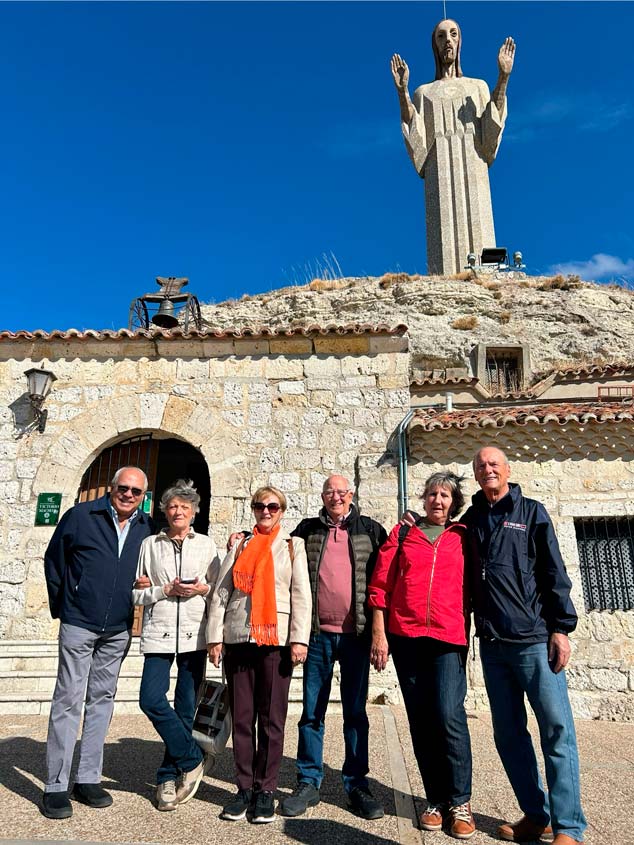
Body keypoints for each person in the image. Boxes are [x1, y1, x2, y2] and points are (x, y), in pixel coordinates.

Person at [464, 446, 586, 845]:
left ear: (507, 470)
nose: (488, 469)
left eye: (494, 464)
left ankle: (569, 827)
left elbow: (554, 571)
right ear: (476, 474)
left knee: (556, 731)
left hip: (534, 642)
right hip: (493, 645)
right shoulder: (471, 520)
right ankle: (537, 815)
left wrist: (561, 629)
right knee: (509, 736)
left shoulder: (531, 512)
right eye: (481, 465)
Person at [41, 466, 155, 819]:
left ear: (143, 496)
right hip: (79, 622)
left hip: (118, 628)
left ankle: (87, 778)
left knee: (102, 701)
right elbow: (54, 561)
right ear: (112, 487)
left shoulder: (147, 526)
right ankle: (55, 785)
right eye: (124, 488)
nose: (128, 495)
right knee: (67, 700)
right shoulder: (80, 516)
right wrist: (66, 606)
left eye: (136, 491)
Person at [368, 471, 475, 840]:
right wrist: (379, 634)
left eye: (444, 495)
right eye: (432, 494)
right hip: (407, 636)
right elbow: (380, 585)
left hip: (448, 636)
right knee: (421, 719)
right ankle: (435, 800)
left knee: (448, 714)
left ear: (454, 502)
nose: (437, 500)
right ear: (424, 498)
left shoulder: (463, 536)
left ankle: (459, 801)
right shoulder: (403, 534)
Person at [279, 475, 388, 821]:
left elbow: (387, 576)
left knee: (355, 713)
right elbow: (277, 550)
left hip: (357, 637)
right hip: (316, 637)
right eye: (330, 492)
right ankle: (308, 782)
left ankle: (357, 785)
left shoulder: (371, 530)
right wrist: (242, 536)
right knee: (312, 713)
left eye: (341, 492)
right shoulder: (307, 530)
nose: (336, 497)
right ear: (322, 496)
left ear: (351, 494)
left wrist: (380, 633)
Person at [207, 486, 311, 824]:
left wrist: (299, 639)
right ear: (252, 509)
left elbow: (301, 595)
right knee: (241, 718)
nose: (265, 511)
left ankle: (265, 789)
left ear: (282, 510)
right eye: (259, 506)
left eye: (272, 506)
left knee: (271, 719)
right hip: (239, 637)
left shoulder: (293, 546)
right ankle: (243, 788)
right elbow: (222, 592)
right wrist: (214, 637)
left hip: (275, 640)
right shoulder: (240, 544)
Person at [391, 19, 515, 275]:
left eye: (453, 34)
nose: (447, 40)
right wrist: (403, 93)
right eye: (441, 36)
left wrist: (503, 78)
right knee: (443, 258)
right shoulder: (424, 93)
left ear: (460, 42)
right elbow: (416, 136)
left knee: (485, 260)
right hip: (439, 177)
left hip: (474, 168)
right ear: (434, 45)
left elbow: (490, 135)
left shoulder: (477, 87)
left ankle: (487, 276)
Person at [132, 480, 220, 811]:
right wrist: (162, 590)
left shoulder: (206, 545)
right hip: (159, 633)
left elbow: (218, 590)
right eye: (172, 506)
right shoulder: (150, 545)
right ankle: (192, 758)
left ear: (194, 512)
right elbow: (136, 593)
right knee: (150, 699)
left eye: (184, 506)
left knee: (185, 709)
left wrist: (201, 590)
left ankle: (167, 777)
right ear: (164, 511)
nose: (178, 511)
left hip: (195, 636)